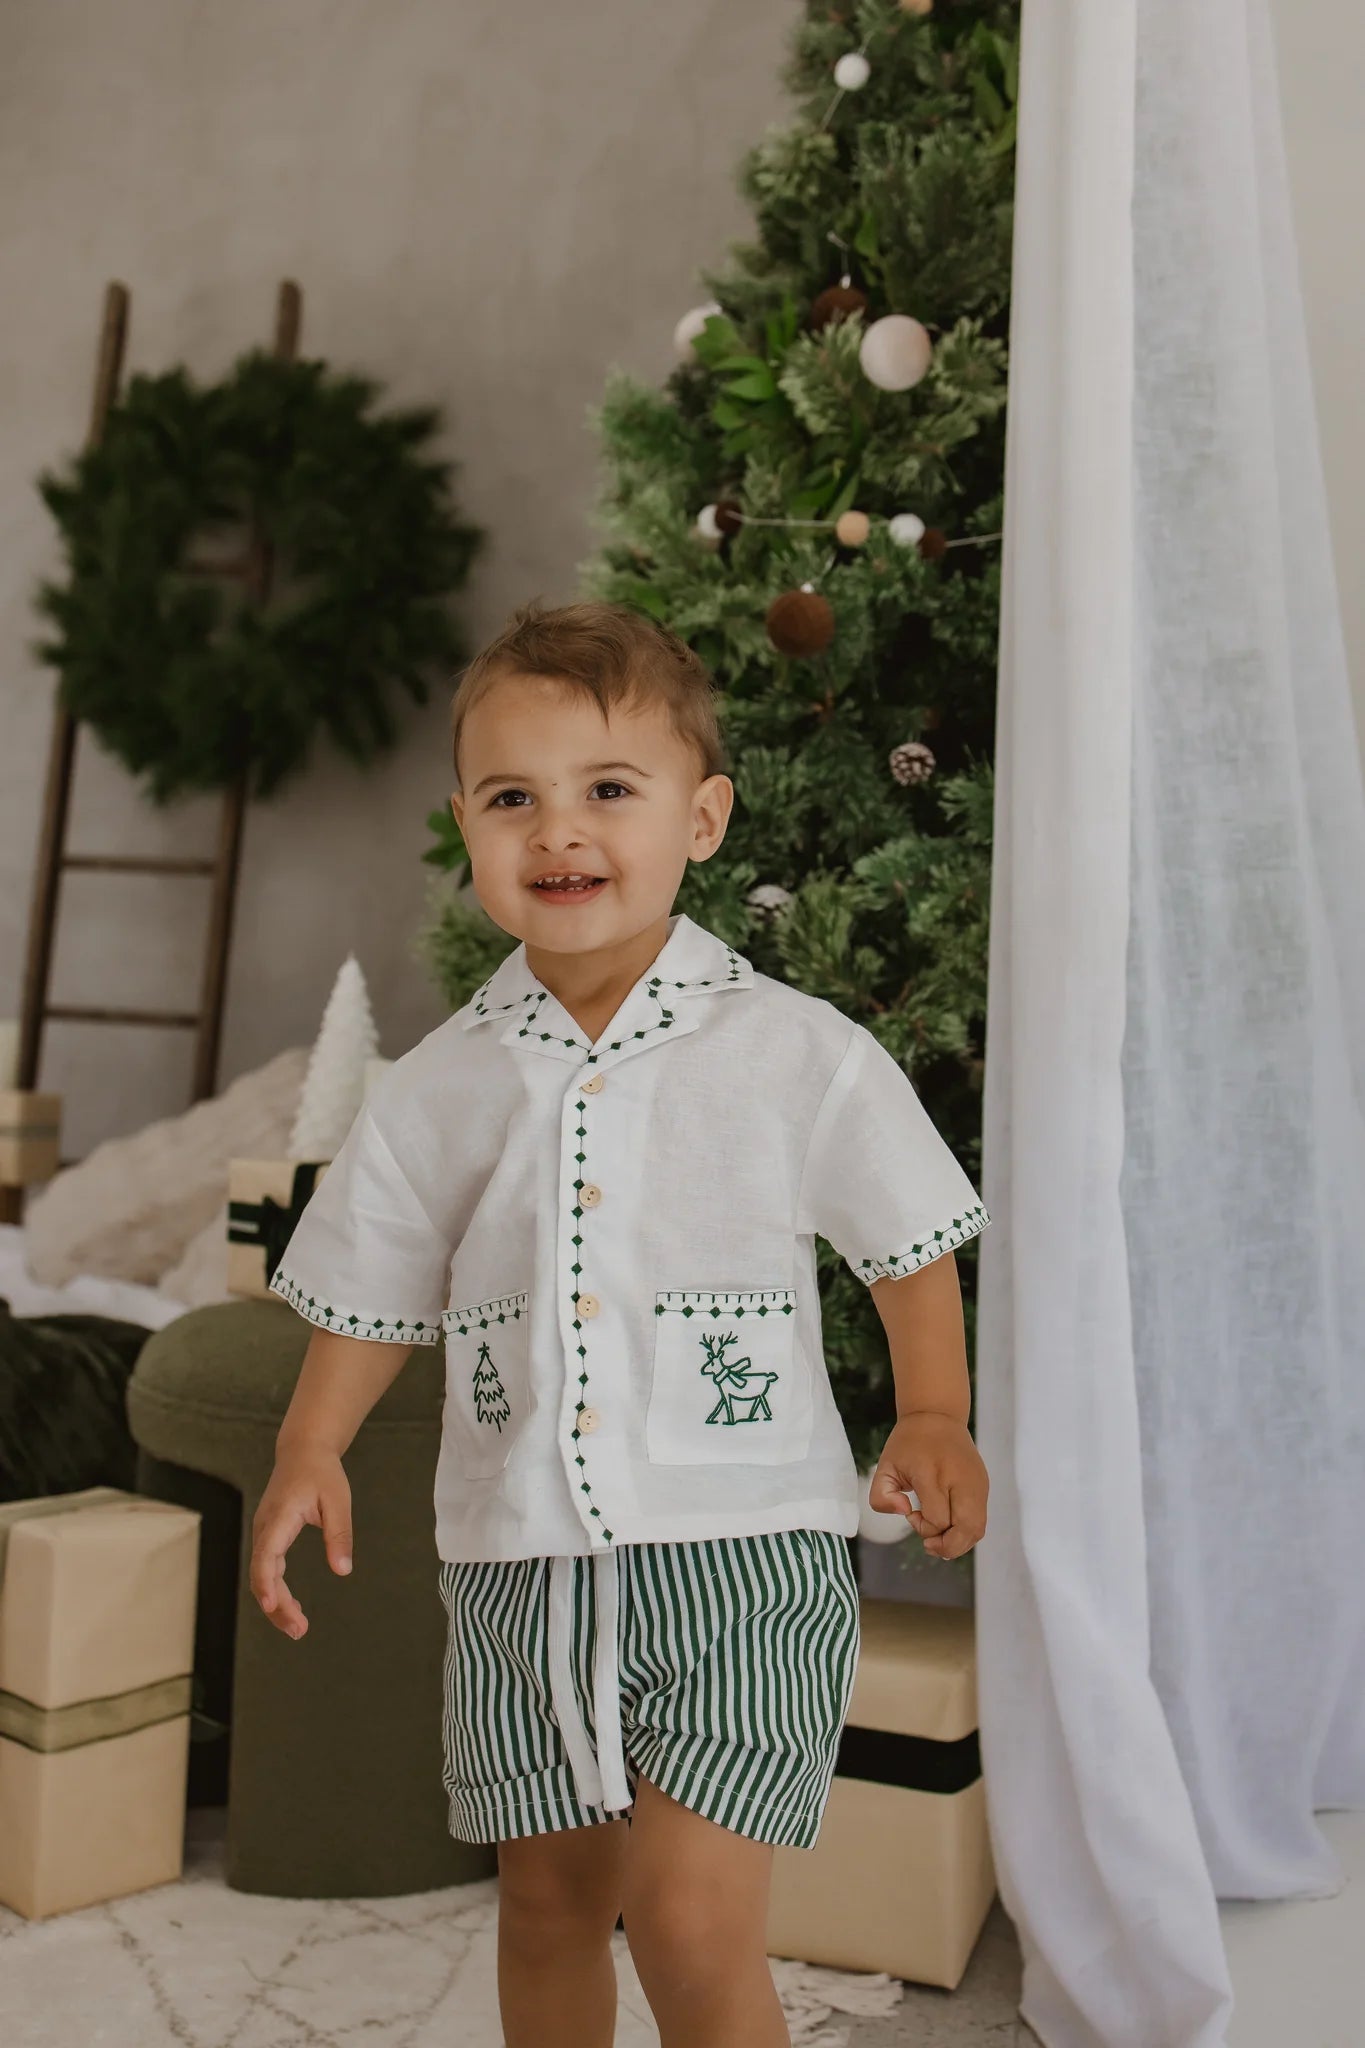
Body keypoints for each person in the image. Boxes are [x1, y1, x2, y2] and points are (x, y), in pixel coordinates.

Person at [249, 599, 991, 2048]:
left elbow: (906, 1239)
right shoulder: (442, 1084)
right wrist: (308, 1445)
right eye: (513, 797)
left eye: (608, 791)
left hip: (744, 1556)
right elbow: (373, 1283)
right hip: (520, 1567)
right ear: (465, 827)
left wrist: (934, 1411)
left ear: (699, 820)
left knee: (691, 1920)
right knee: (542, 1909)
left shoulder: (790, 1052)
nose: (559, 832)